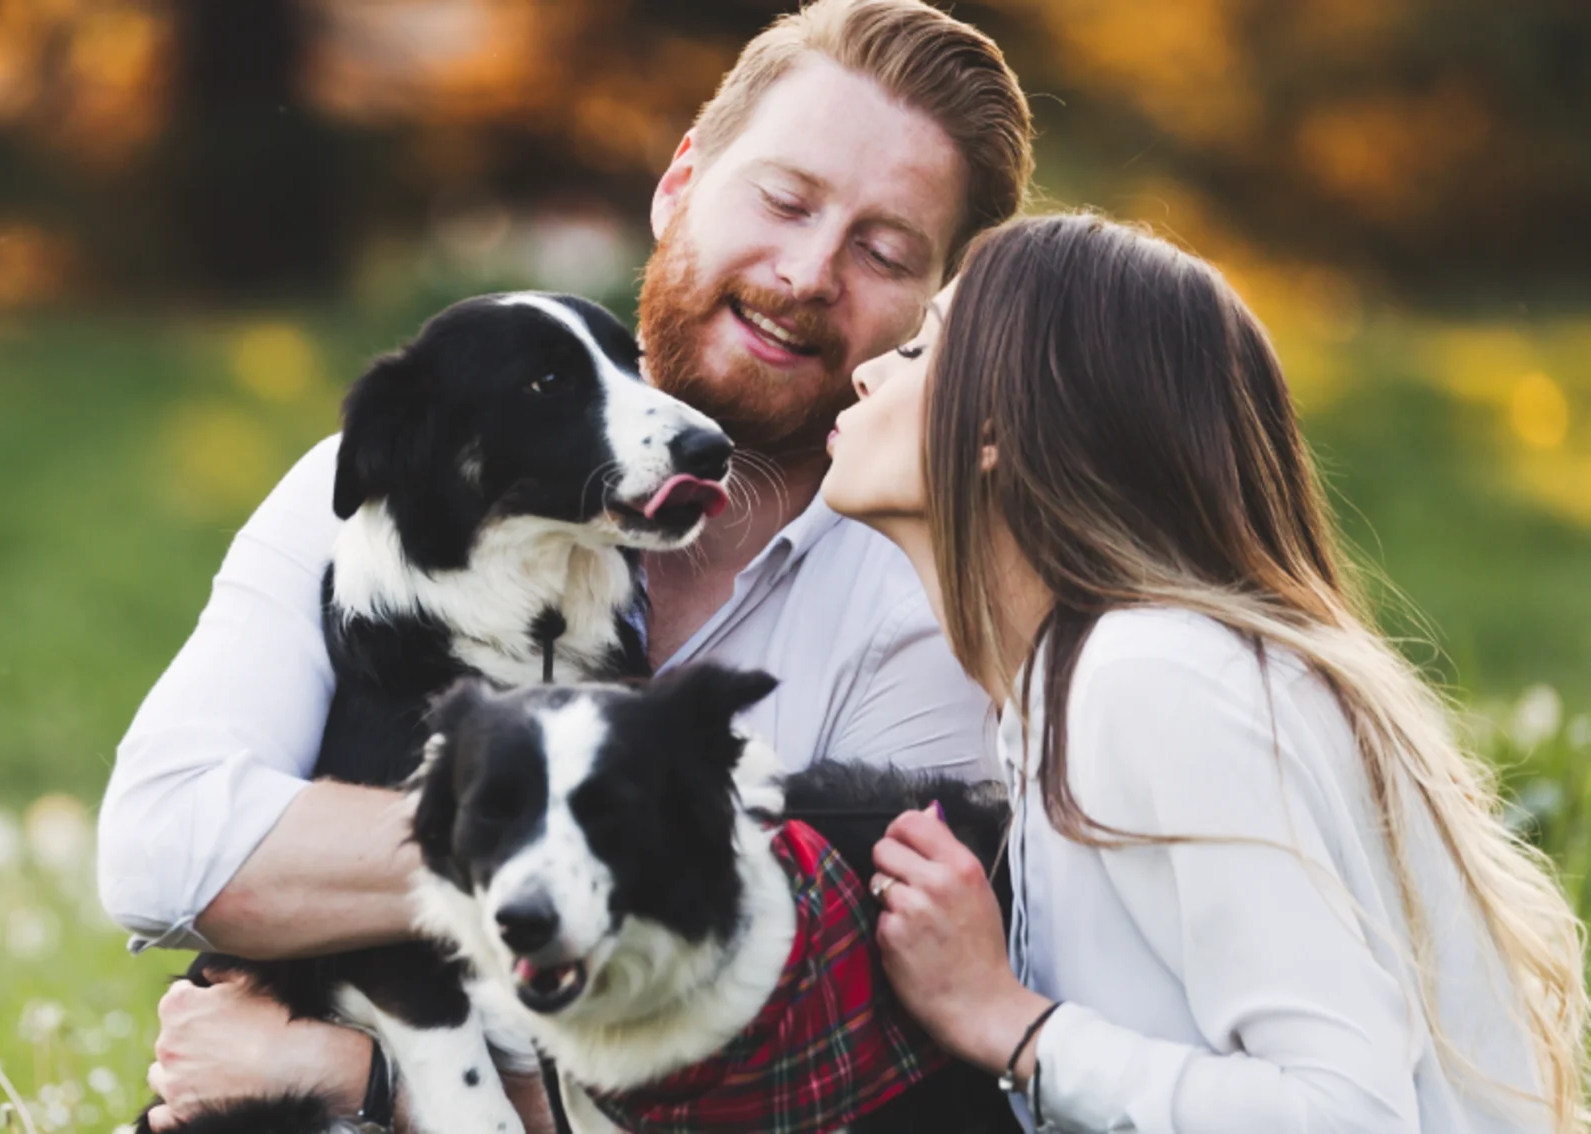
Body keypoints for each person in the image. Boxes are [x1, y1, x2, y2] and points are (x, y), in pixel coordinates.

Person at [97, 1, 1034, 1126]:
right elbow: (165, 852)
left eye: (883, 252)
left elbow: (841, 1076)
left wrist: (373, 1076)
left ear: (939, 307)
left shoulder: (928, 605)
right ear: (681, 179)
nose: (806, 272)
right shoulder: (393, 479)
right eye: (783, 200)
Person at [835, 213, 1588, 1131]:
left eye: (919, 351)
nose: (868, 369)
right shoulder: (1068, 689)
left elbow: (1345, 1113)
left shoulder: (1152, 678)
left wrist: (1006, 1021)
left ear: (992, 426)